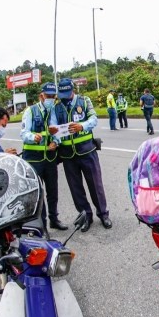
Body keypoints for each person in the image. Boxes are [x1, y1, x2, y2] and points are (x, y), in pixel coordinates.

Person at [49, 78, 112, 232]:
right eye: (62, 94)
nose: (65, 97)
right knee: (76, 188)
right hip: (68, 155)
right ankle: (86, 216)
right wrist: (54, 137)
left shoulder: (84, 102)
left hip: (87, 151)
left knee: (95, 185)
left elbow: (94, 119)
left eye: (67, 93)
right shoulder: (56, 108)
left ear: (73, 90)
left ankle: (103, 214)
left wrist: (81, 126)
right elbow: (54, 127)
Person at [20, 82, 68, 232]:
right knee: (38, 193)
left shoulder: (52, 111)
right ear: (41, 95)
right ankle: (42, 225)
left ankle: (54, 219)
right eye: (48, 96)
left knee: (52, 191)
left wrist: (55, 141)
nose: (51, 99)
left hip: (49, 158)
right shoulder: (30, 111)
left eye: (53, 97)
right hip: (33, 159)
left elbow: (56, 132)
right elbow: (23, 133)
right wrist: (33, 137)